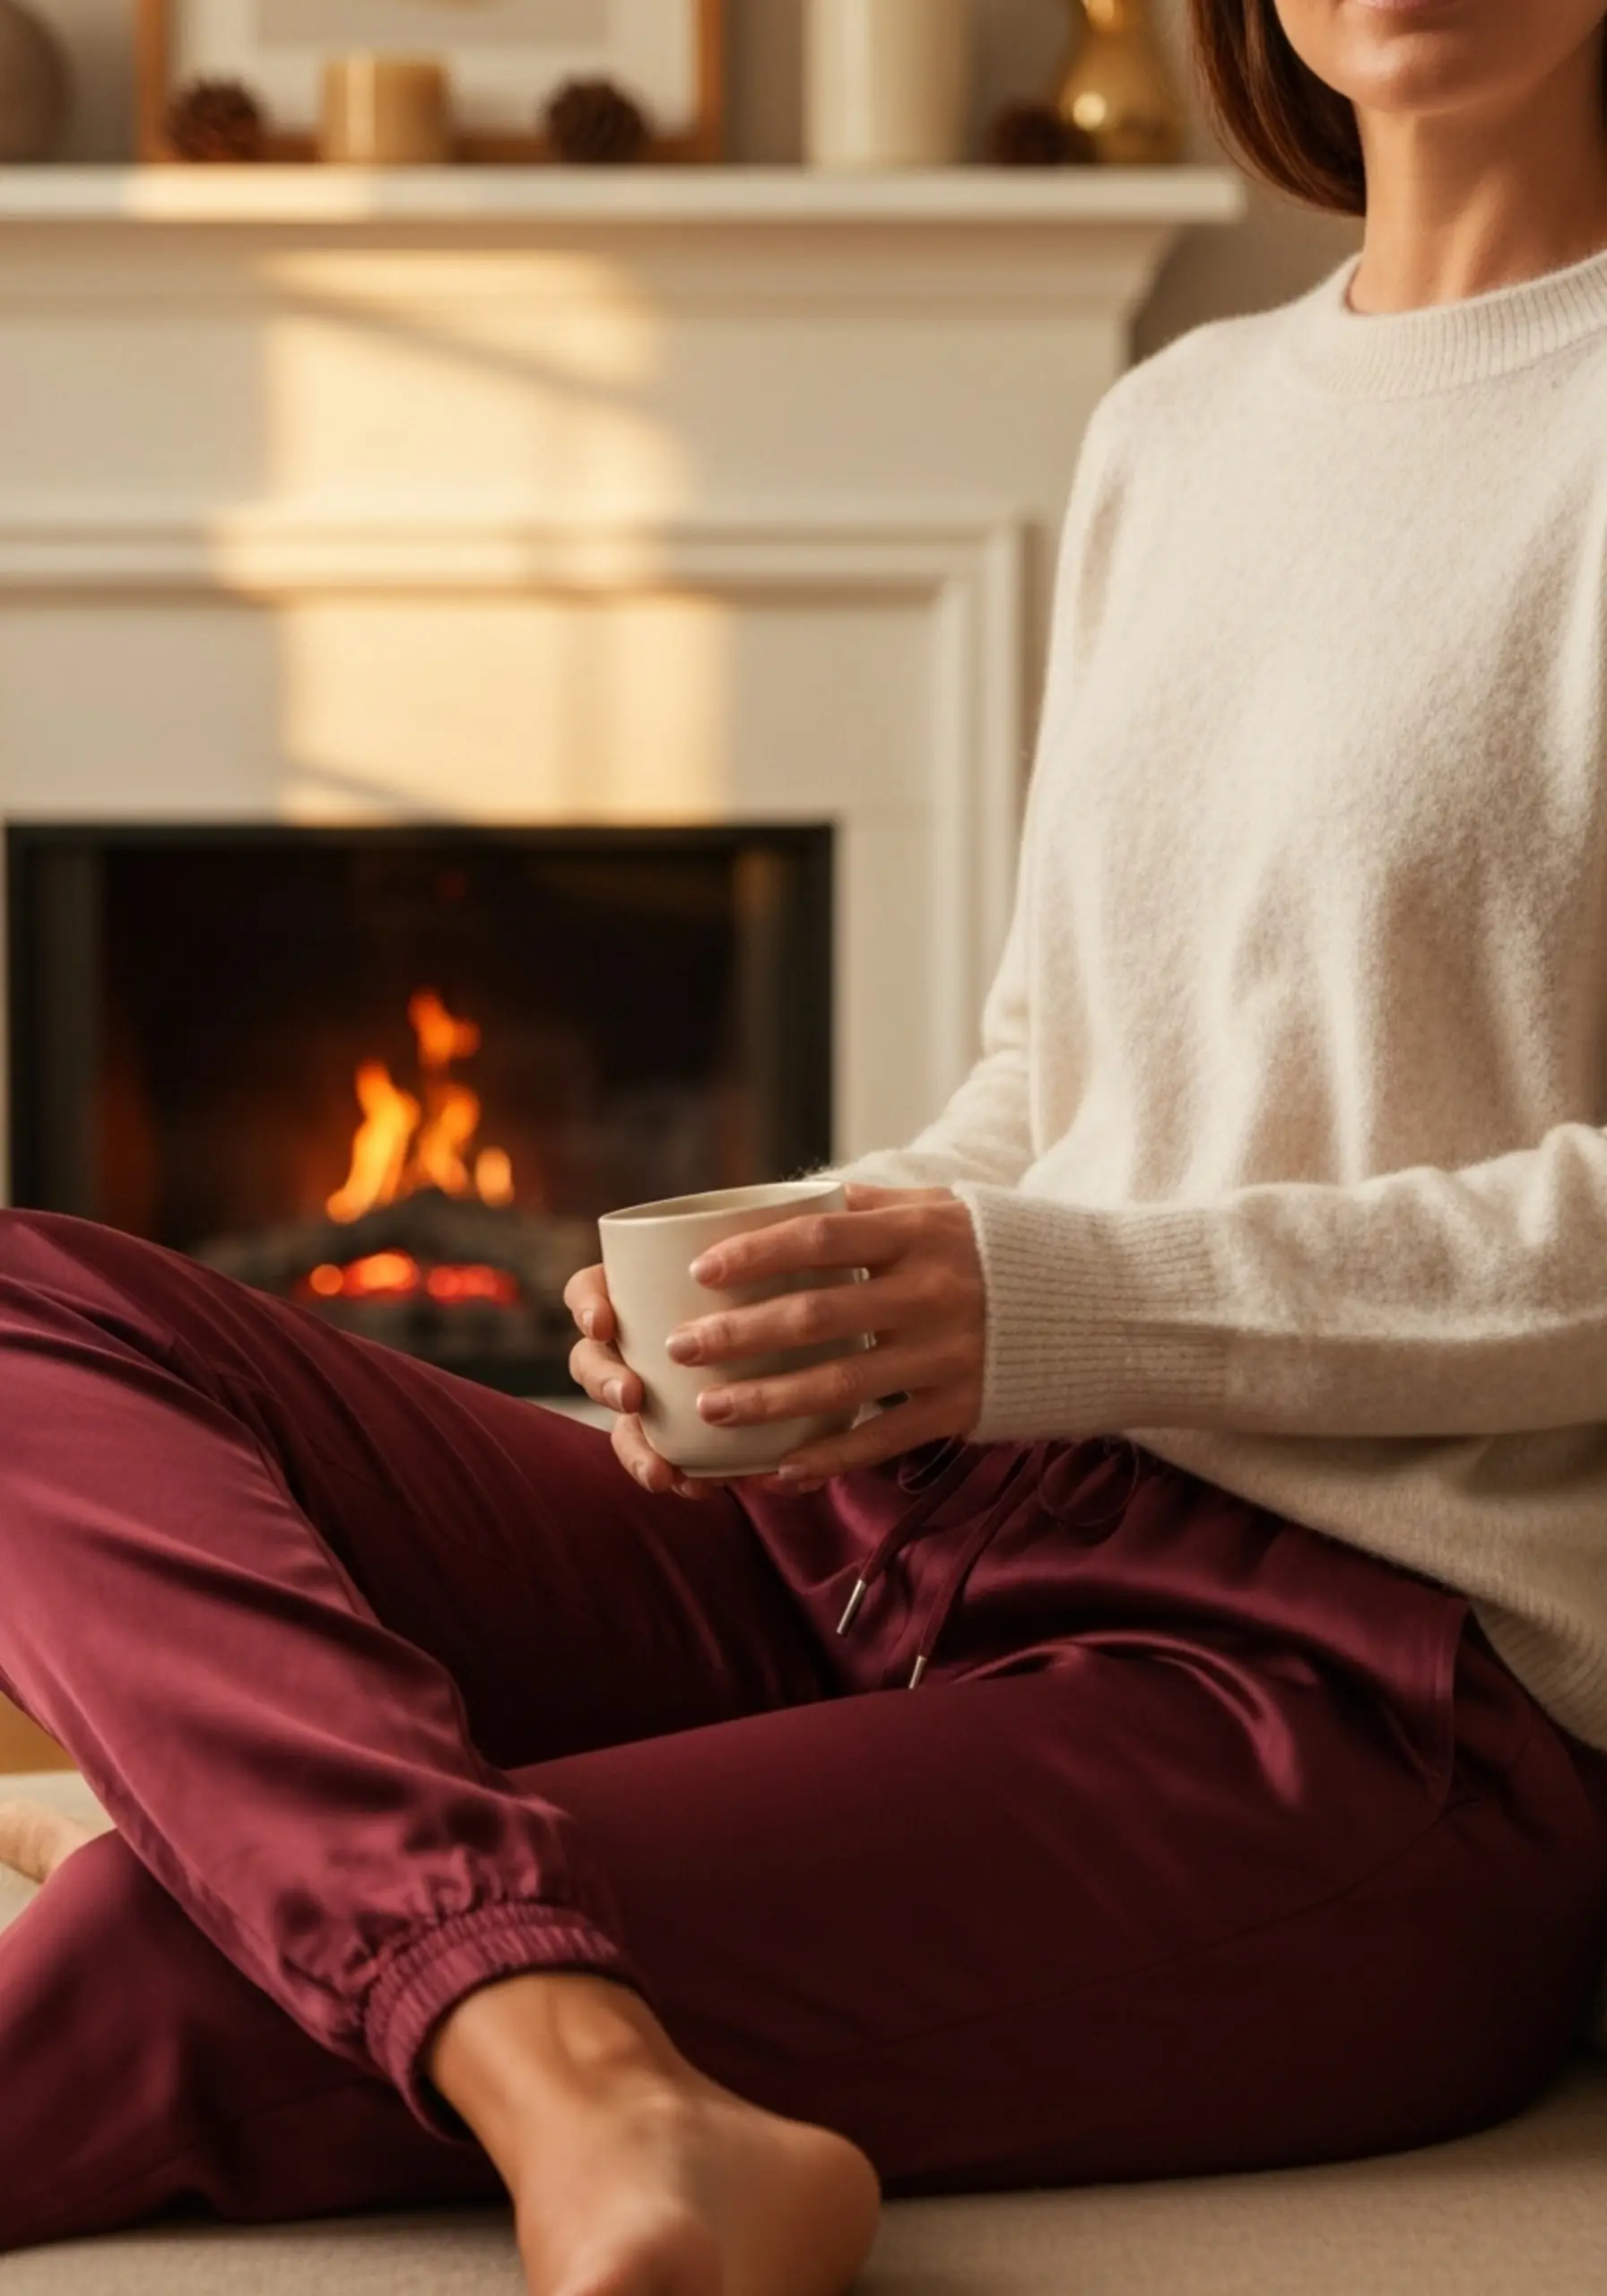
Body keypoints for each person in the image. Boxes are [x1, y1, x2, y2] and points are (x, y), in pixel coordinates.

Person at [4, 3, 1607, 2289]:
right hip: (910, 1540)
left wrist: (1033, 1309)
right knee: (26, 1297)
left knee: (194, 1948)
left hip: (1346, 1708)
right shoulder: (1183, 426)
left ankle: (443, 1967)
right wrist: (803, 1283)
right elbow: (1053, 1060)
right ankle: (561, 2043)